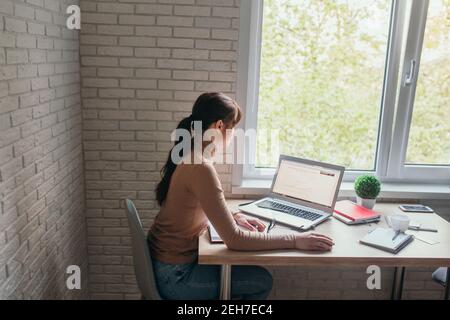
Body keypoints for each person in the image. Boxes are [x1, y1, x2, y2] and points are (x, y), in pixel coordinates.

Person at [148, 92, 335, 300]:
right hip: (176, 277)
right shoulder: (201, 166)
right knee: (261, 281)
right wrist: (295, 240)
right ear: (219, 126)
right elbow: (235, 240)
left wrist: (236, 216)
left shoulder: (190, 153)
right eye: (233, 127)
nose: (234, 134)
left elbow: (204, 204)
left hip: (166, 265)